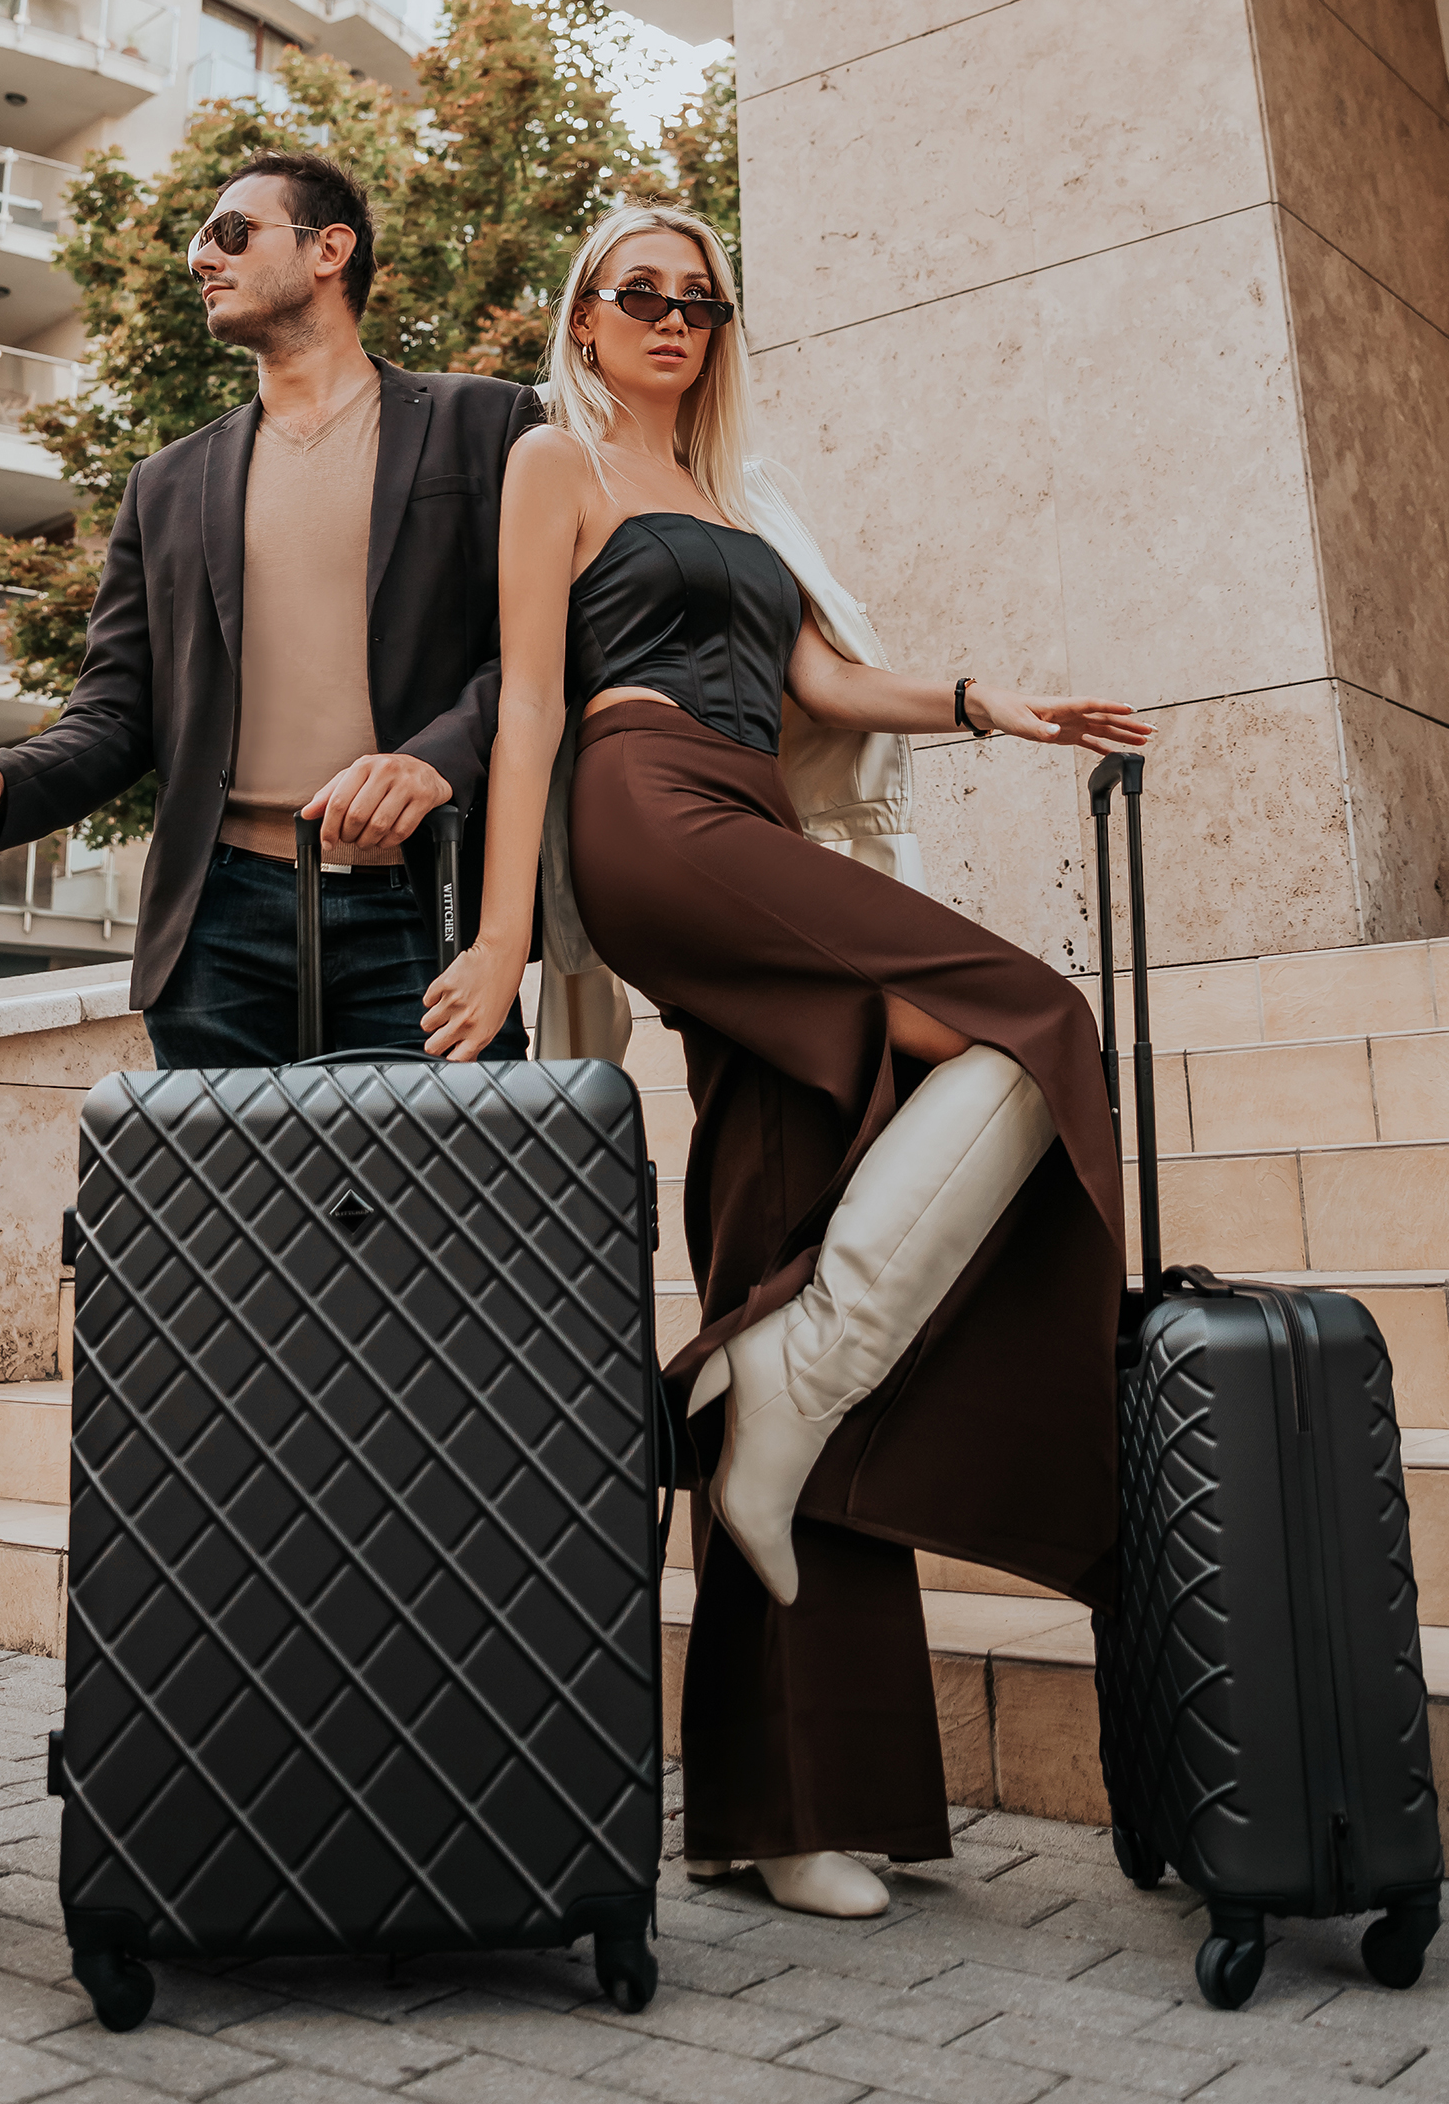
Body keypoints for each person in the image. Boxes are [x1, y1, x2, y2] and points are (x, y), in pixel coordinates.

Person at [420, 202, 1148, 1919]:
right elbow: (530, 703)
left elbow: (817, 675)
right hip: (650, 810)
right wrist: (505, 935)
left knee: (778, 1224)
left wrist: (985, 703)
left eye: (701, 299)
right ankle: (795, 1370)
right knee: (1035, 1019)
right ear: (586, 319)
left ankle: (797, 1803)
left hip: (754, 814)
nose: (672, 317)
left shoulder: (742, 500)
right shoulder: (554, 462)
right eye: (639, 293)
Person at [0, 152, 539, 1067]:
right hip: (219, 927)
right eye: (199, 240)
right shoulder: (165, 484)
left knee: (440, 1170)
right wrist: (0, 779)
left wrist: (437, 759)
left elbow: (547, 650)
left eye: (232, 232)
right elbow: (116, 713)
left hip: (425, 908)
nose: (204, 257)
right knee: (215, 1172)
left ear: (329, 250)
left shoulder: (491, 425)